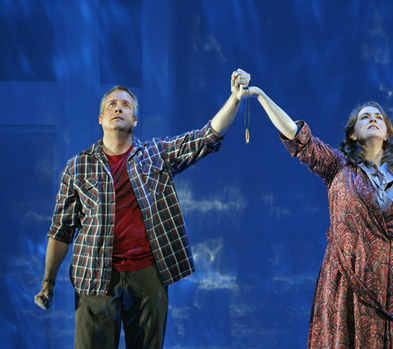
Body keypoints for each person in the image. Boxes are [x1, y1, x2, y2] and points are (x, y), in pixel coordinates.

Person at [34, 69, 251, 349]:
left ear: (135, 120)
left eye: (126, 105)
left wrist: (235, 98)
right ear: (100, 118)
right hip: (95, 276)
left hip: (148, 274)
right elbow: (61, 230)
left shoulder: (155, 154)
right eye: (112, 104)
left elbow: (206, 137)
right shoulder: (77, 166)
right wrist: (48, 282)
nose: (118, 108)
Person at [246, 83, 393, 348]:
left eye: (378, 117)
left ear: (387, 133)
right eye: (365, 117)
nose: (373, 119)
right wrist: (260, 95)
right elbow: (296, 136)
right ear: (353, 134)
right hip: (347, 283)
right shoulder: (339, 167)